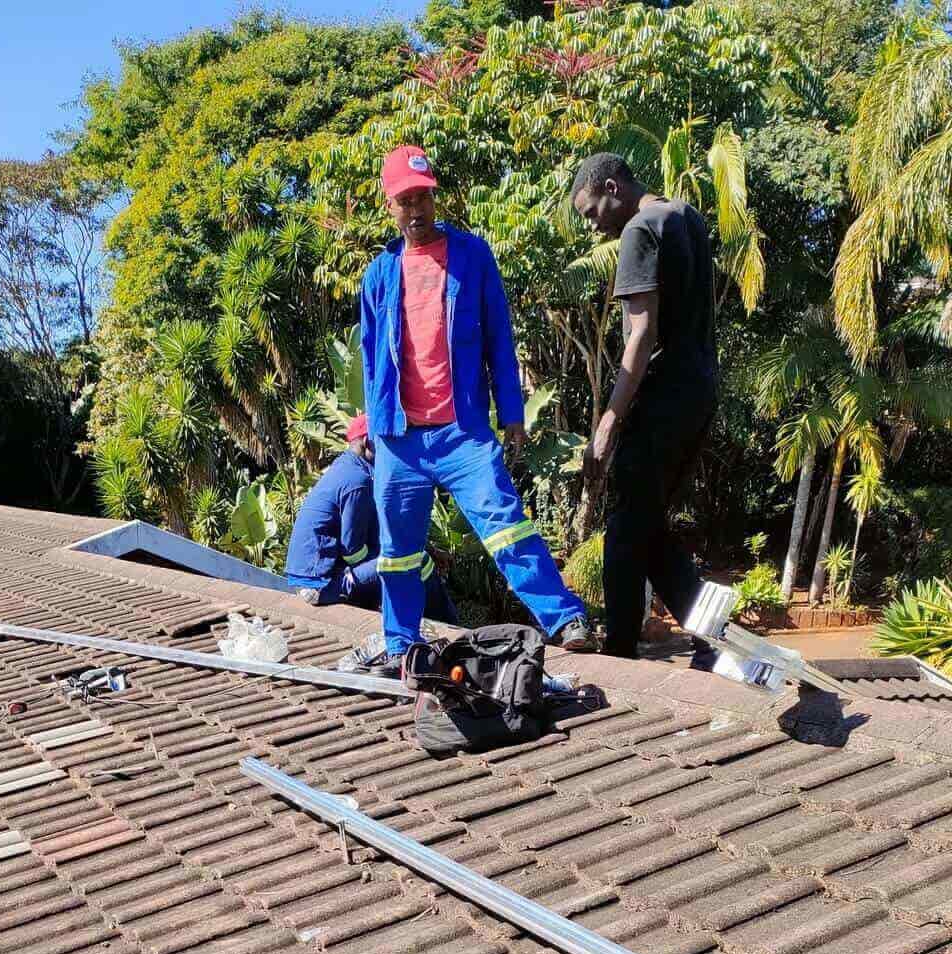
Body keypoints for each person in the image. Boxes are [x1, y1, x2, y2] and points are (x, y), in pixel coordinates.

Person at [350, 144, 592, 676]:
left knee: (505, 524)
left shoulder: (472, 256)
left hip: (462, 432)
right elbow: (370, 360)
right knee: (398, 551)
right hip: (400, 437)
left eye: (422, 198)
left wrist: (512, 413)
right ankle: (399, 642)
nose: (415, 210)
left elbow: (499, 340)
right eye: (404, 201)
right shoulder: (378, 275)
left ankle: (564, 618)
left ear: (434, 198)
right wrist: (368, 424)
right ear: (390, 207)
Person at [571, 153, 718, 661]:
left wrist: (609, 419)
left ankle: (618, 652)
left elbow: (640, 335)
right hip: (699, 392)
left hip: (661, 397)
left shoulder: (639, 229)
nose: (594, 227)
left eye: (593, 212)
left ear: (613, 187)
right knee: (646, 522)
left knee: (624, 528)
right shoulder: (686, 216)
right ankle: (712, 637)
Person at [285, 413, 459, 622]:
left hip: (322, 575)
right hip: (320, 585)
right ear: (368, 443)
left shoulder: (351, 467)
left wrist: (428, 548)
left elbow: (382, 527)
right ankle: (450, 627)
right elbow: (353, 552)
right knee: (416, 562)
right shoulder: (358, 481)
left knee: (407, 559)